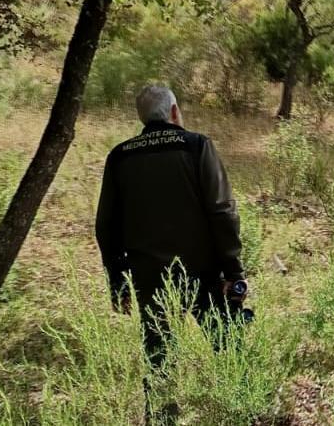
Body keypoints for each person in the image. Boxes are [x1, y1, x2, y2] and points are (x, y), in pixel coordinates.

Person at [95, 85, 246, 371]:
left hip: (150, 279)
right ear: (175, 112)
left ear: (143, 119)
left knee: (159, 365)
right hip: (204, 275)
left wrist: (118, 282)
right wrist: (234, 271)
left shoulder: (120, 157)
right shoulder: (197, 146)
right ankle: (242, 412)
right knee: (230, 354)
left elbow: (106, 226)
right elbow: (222, 211)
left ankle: (163, 415)